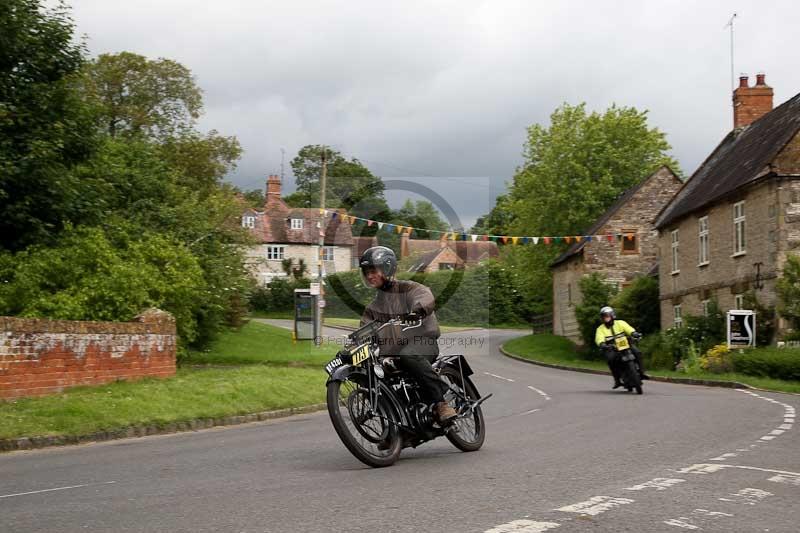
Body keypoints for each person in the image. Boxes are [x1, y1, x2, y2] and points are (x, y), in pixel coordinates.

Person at [358, 246, 457, 424]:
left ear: (387, 269)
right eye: (366, 272)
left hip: (423, 341)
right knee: (376, 374)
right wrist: (353, 346)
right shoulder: (372, 309)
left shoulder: (408, 288)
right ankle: (398, 429)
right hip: (393, 353)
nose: (369, 276)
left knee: (408, 354)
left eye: (373, 270)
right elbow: (363, 330)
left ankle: (441, 402)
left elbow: (424, 296)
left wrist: (416, 312)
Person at [595, 306, 649, 389]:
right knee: (610, 360)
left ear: (612, 315)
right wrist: (602, 344)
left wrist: (634, 333)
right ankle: (617, 381)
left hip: (625, 343)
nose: (605, 318)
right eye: (603, 316)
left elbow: (629, 329)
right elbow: (599, 338)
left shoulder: (620, 323)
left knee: (637, 352)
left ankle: (642, 372)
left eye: (607, 316)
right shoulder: (600, 329)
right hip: (611, 347)